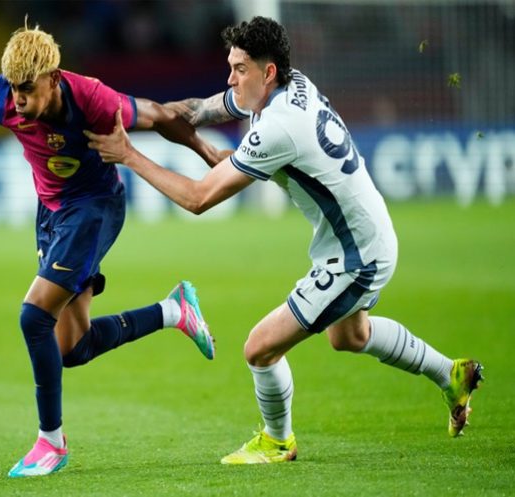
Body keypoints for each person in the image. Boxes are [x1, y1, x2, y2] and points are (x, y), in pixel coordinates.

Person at [86, 16, 483, 465]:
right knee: (350, 335)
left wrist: (128, 155)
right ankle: (451, 374)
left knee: (260, 348)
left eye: (239, 69)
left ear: (268, 71)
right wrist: (134, 113)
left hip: (356, 256)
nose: (230, 79)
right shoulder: (294, 85)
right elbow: (196, 111)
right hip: (365, 236)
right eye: (230, 67)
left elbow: (197, 199)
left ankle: (278, 442)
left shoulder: (279, 127)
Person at [0, 21, 219, 478]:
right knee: (73, 348)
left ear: (53, 78)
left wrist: (207, 152)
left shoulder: (91, 98)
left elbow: (159, 114)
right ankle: (174, 311)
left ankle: (51, 442)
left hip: (93, 209)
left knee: (34, 316)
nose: (18, 100)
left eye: (27, 89)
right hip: (51, 214)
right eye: (13, 89)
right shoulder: (3, 96)